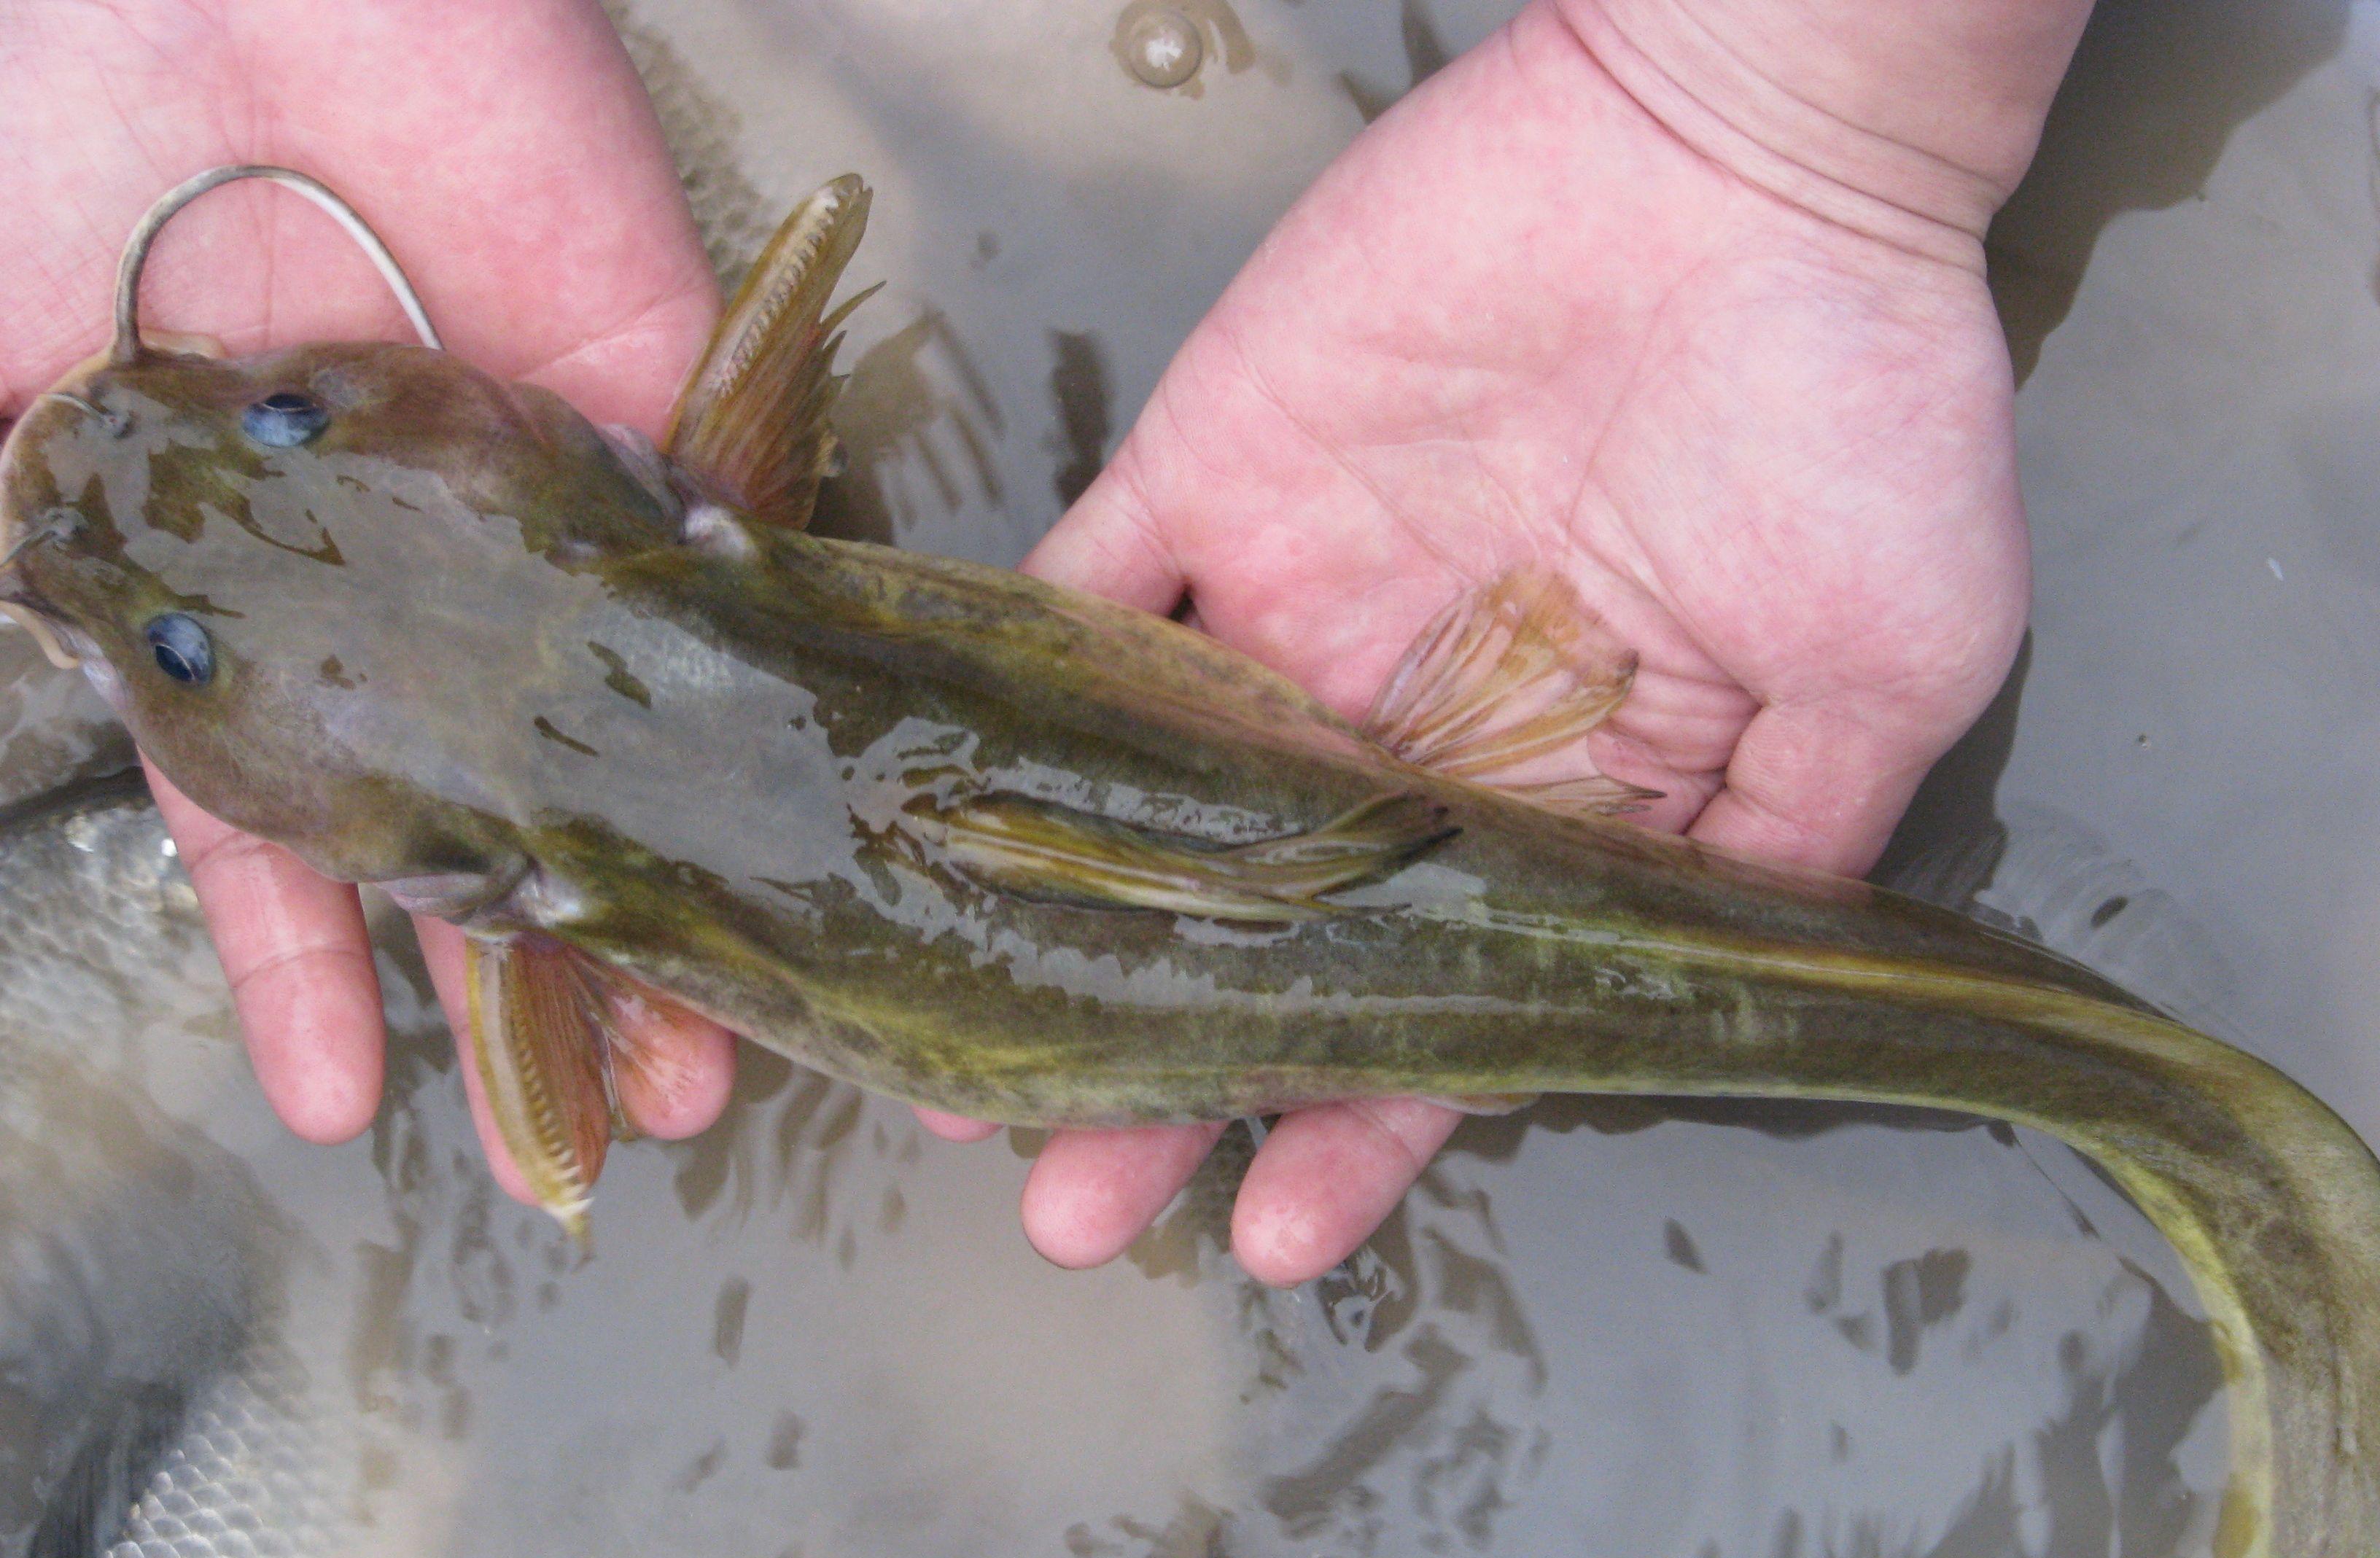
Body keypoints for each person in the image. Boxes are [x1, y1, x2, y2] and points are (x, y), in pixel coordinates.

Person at [0, 0, 2093, 1285]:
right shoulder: (688, 494)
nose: (193, 421)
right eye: (183, 654)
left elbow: (557, 1145)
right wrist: (1799, 116)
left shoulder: (547, 880)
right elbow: (813, 242)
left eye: (282, 420)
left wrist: (1794, 122)